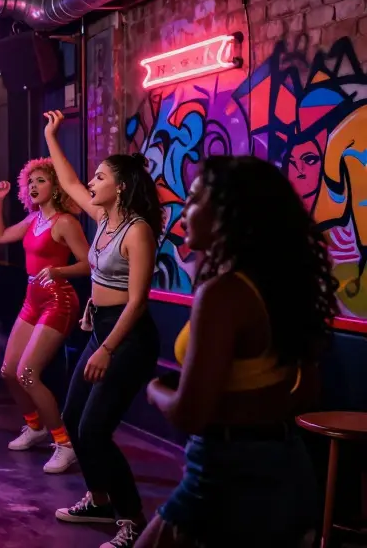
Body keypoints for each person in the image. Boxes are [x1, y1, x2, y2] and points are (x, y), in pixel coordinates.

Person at [139, 156, 328, 548]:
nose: (184, 211)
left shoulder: (223, 294)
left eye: (193, 199)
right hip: (284, 465)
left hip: (226, 471)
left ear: (227, 210)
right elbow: (305, 391)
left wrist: (155, 389)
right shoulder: (280, 285)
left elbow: (189, 414)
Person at [42, 110, 162, 548]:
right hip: (103, 331)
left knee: (94, 430)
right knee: (73, 419)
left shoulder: (139, 231)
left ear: (121, 186)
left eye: (100, 177)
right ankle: (97, 498)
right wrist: (50, 136)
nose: (91, 183)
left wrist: (106, 348)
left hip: (128, 339)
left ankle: (132, 519)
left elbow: (138, 301)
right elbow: (69, 181)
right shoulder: (102, 216)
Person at [0, 159, 90, 474]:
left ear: (55, 186)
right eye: (30, 182)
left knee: (27, 374)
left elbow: (89, 263)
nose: (34, 187)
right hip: (32, 298)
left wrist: (59, 269)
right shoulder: (33, 220)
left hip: (58, 300)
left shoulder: (65, 222)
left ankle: (66, 444)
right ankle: (35, 428)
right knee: (8, 371)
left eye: (41, 181)